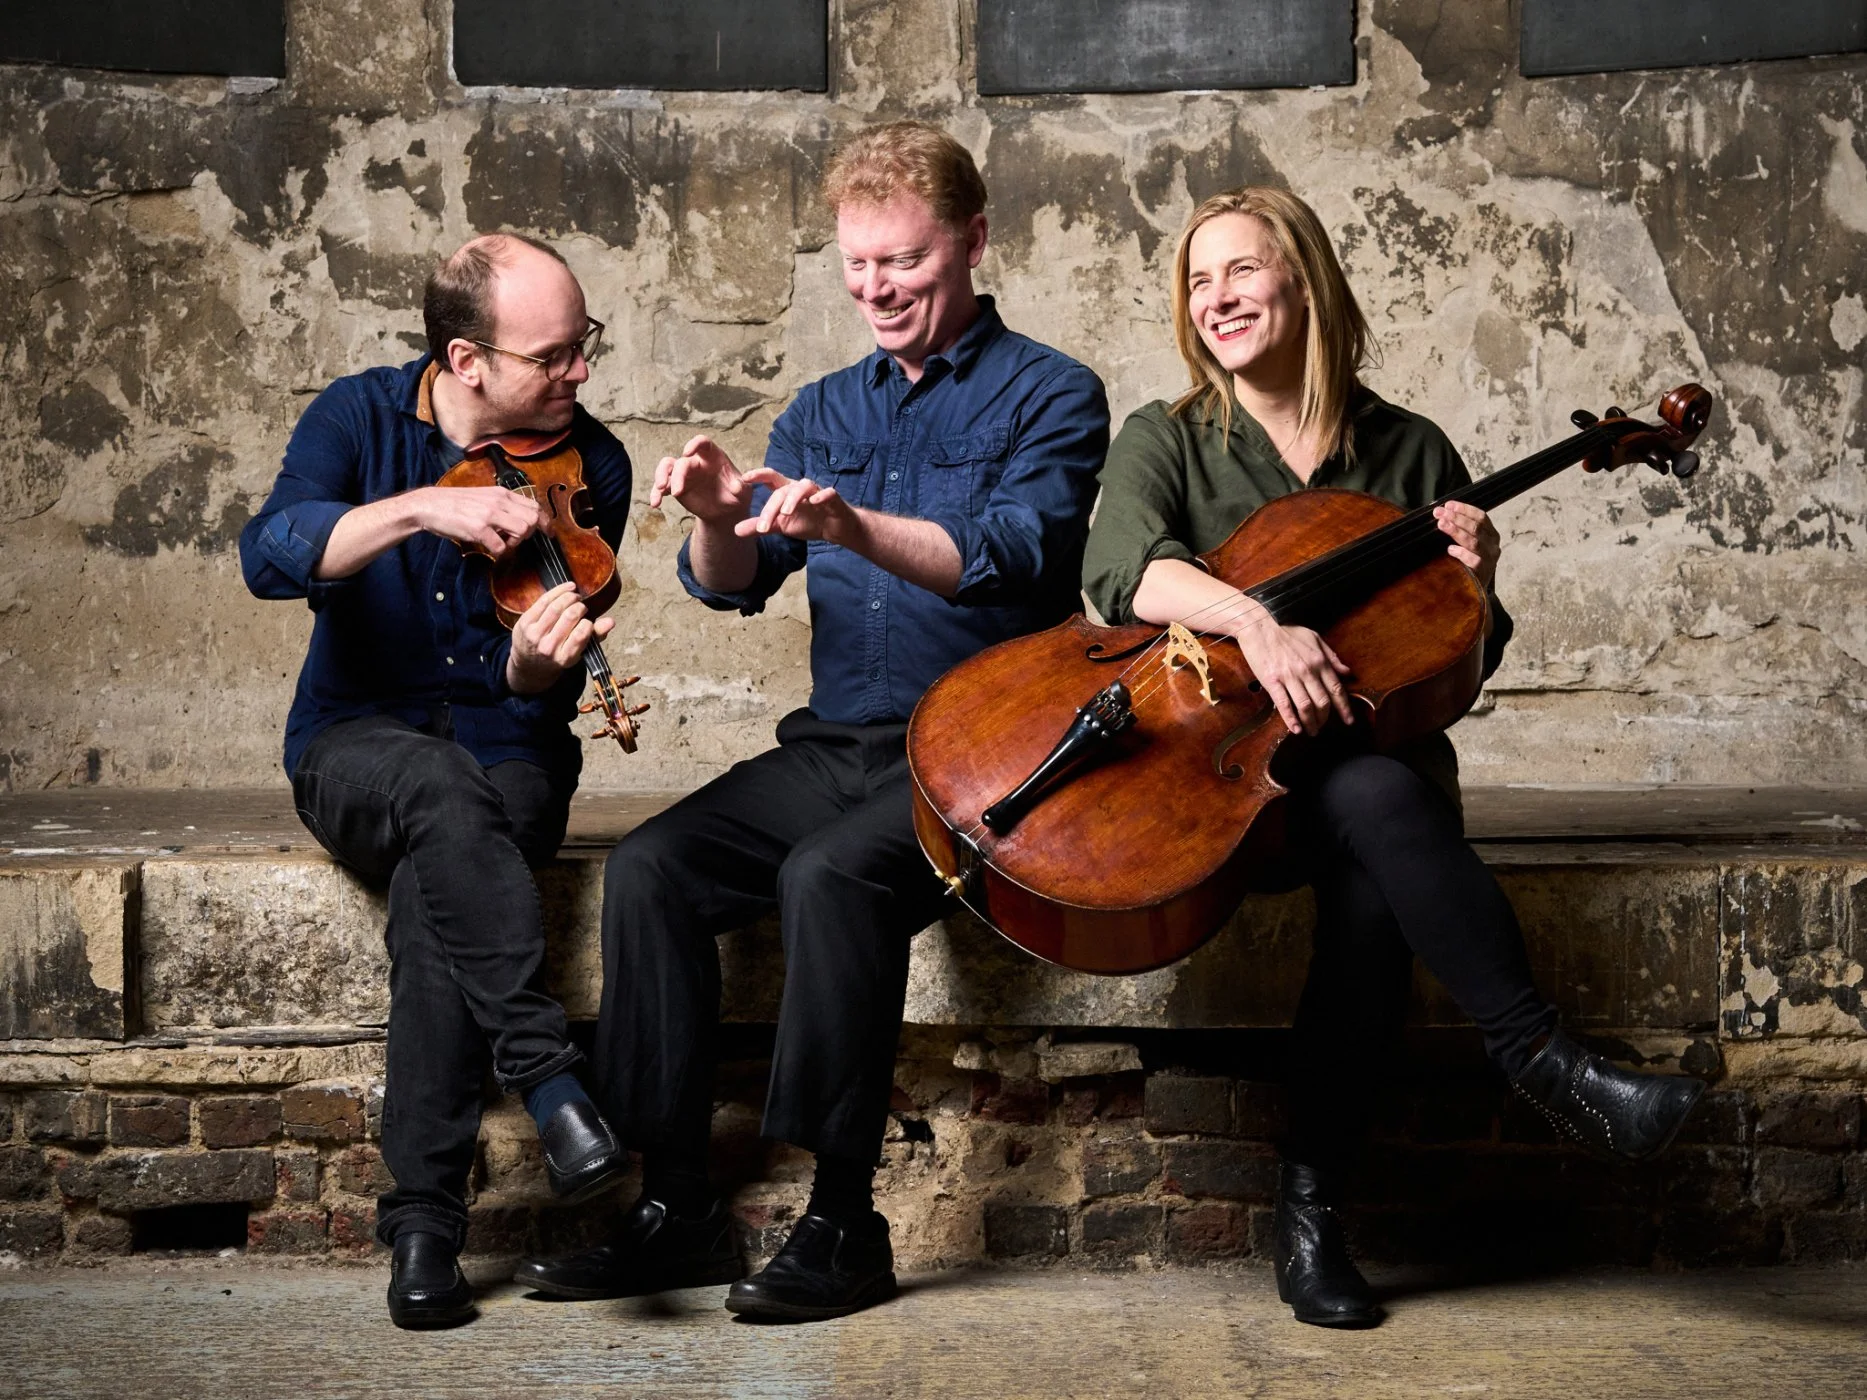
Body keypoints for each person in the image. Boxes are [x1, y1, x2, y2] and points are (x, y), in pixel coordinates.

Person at [514, 121, 1110, 1321]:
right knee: (653, 866)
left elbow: (1011, 558)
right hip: (837, 744)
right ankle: (676, 1204)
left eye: (904, 262)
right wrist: (721, 512)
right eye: (857, 264)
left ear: (974, 240)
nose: (877, 289)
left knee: (834, 877)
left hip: (989, 756)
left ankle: (844, 1221)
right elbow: (731, 586)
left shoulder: (1054, 392)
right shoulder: (823, 406)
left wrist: (851, 527)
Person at [1080, 187, 1703, 1329]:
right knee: (1371, 813)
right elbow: (1125, 574)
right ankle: (1539, 1064)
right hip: (1227, 777)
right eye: (1197, 280)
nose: (1215, 297)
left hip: (1369, 774)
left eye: (1241, 271)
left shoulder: (1410, 451)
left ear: (1303, 280)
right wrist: (1256, 623)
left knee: (1372, 825)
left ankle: (1312, 1209)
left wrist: (1483, 570)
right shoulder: (1164, 438)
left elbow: (1460, 652)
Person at [239, 233, 633, 1329]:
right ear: (467, 361)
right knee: (432, 791)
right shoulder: (356, 419)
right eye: (553, 356)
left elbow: (530, 692)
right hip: (353, 745)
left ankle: (422, 1228)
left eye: (580, 346)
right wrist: (422, 507)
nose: (580, 375)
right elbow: (268, 552)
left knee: (438, 877)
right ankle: (551, 1078)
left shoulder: (589, 465)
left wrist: (530, 666)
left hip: (509, 753)